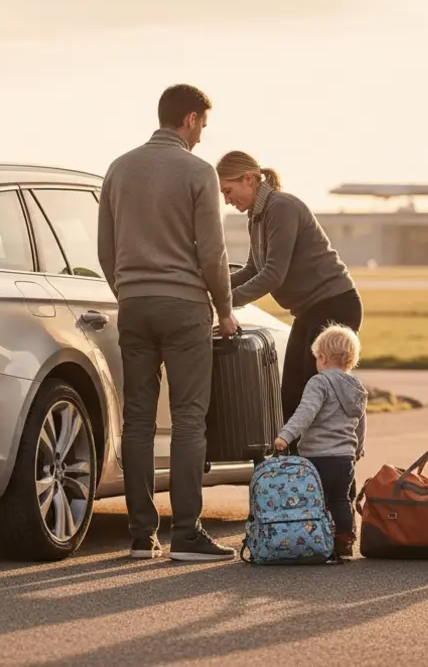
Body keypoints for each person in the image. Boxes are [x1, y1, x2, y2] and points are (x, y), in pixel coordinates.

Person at [97, 84, 239, 562]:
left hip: (133, 306)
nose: (202, 136)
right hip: (183, 309)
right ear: (192, 119)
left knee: (137, 419)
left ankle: (141, 535)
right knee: (187, 420)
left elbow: (105, 248)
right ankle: (187, 534)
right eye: (203, 125)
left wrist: (128, 291)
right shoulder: (198, 172)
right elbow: (213, 252)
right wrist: (225, 309)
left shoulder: (118, 168)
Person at [216, 151, 362, 425]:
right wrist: (212, 286)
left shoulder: (281, 207)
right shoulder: (257, 217)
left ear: (248, 179)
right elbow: (253, 269)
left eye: (228, 190)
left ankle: (329, 461)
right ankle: (296, 466)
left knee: (315, 395)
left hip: (334, 304)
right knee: (291, 396)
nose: (226, 200)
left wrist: (225, 304)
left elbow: (273, 274)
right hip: (309, 310)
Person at [272, 324, 367, 559]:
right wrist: (358, 448)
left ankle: (315, 540)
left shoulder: (319, 382)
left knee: (315, 501)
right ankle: (344, 541)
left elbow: (306, 412)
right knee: (341, 499)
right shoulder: (357, 387)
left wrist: (286, 435)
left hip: (317, 456)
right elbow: (361, 422)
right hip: (345, 458)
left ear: (322, 357)